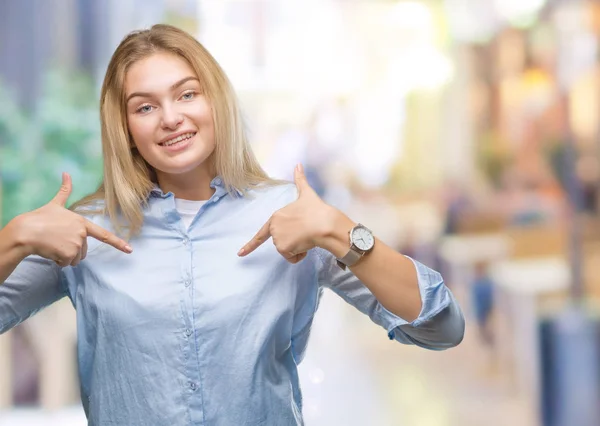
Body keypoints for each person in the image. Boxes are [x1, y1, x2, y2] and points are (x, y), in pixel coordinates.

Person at [0, 24, 464, 426]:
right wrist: (14, 238)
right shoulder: (84, 232)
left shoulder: (294, 213)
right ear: (125, 128)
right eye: (145, 107)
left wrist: (342, 233)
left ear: (215, 101)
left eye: (187, 94)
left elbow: (441, 328)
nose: (171, 118)